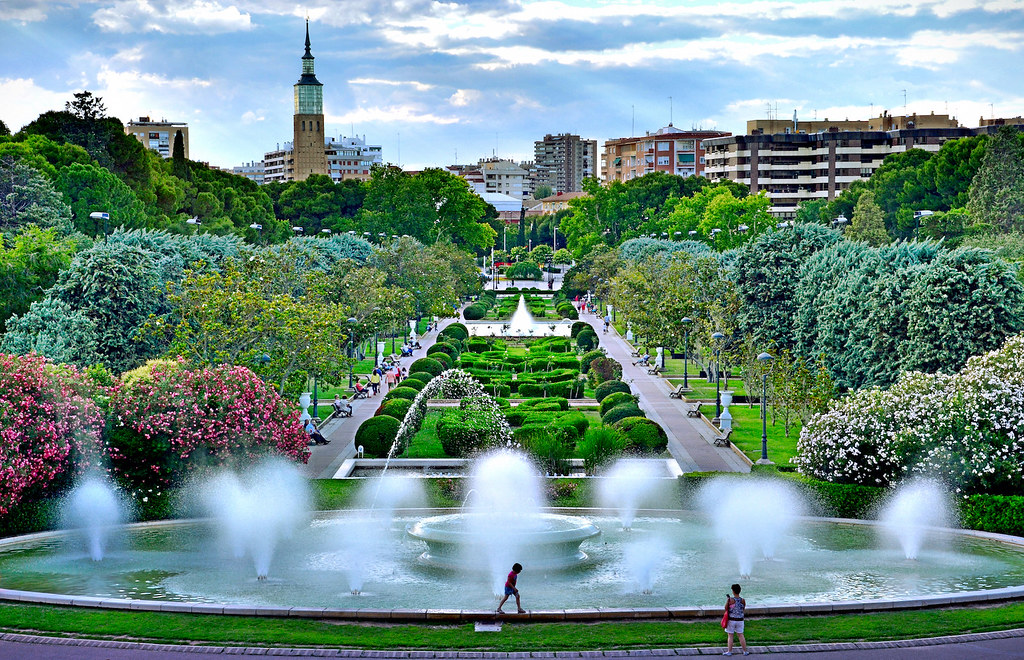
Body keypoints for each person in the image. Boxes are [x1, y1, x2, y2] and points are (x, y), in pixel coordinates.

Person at [722, 583, 749, 656]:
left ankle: (729, 651)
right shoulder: (743, 600)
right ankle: (745, 651)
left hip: (732, 620)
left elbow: (726, 608)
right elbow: (743, 609)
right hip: (740, 620)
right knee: (741, 635)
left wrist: (727, 600)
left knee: (730, 635)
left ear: (733, 591)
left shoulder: (731, 600)